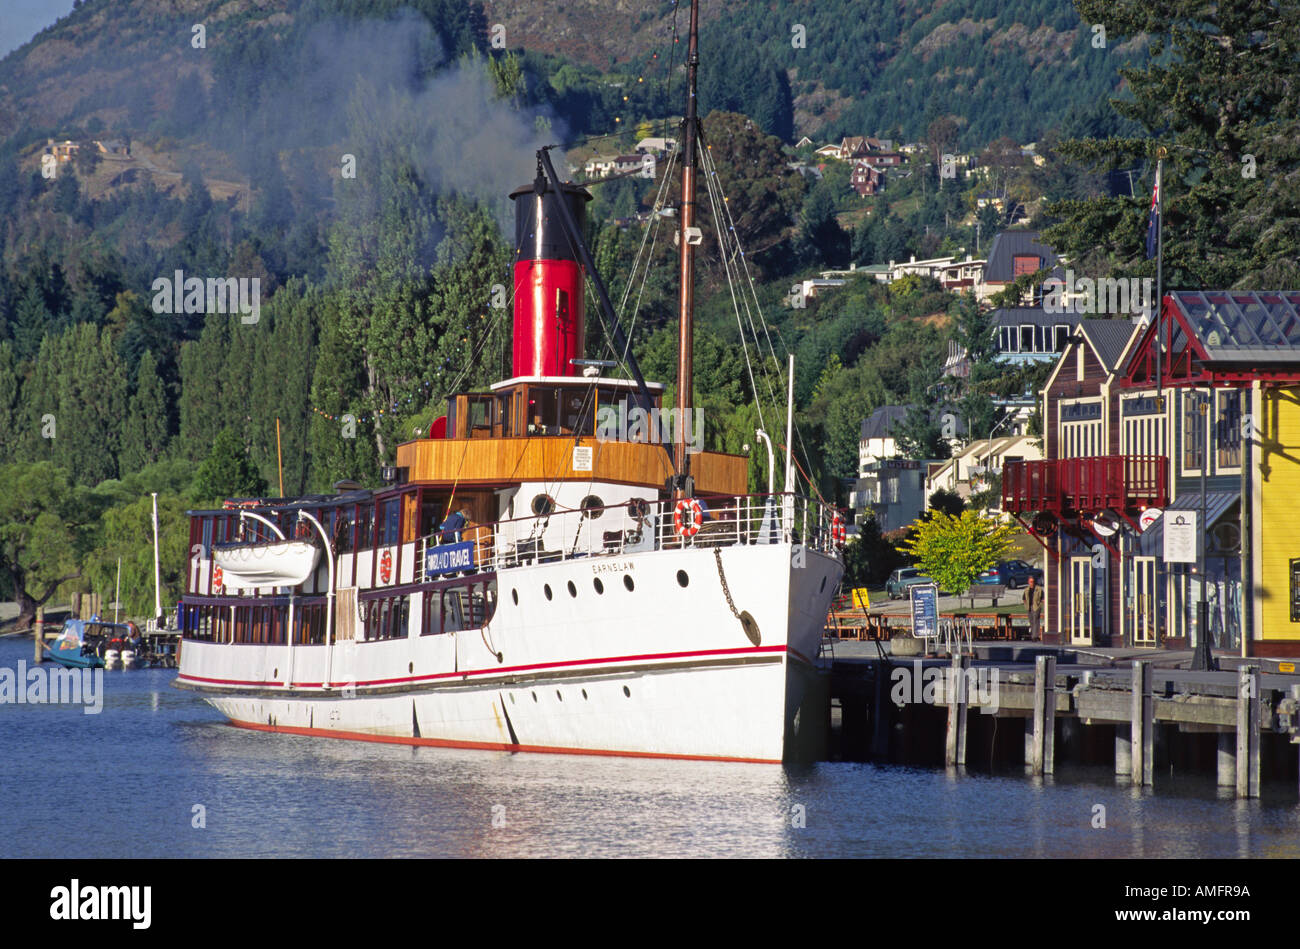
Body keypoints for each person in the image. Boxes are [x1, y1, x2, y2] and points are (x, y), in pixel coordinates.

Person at [1023, 575, 1044, 641]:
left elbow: (1043, 598)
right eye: (1030, 582)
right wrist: (1026, 605)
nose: (1031, 583)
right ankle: (1034, 635)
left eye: (1032, 582)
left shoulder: (1039, 589)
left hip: (1036, 607)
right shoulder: (1026, 590)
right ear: (1028, 582)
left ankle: (1034, 637)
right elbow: (1024, 598)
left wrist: (1040, 605)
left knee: (1035, 621)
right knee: (1031, 621)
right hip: (1029, 607)